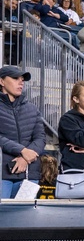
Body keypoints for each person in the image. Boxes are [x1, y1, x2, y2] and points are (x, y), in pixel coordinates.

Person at [0, 66, 45, 199]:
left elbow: (41, 138)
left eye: (22, 79)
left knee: (24, 218)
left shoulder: (32, 108)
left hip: (28, 173)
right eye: (15, 78)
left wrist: (25, 157)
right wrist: (22, 150)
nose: (21, 82)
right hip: (2, 173)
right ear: (1, 81)